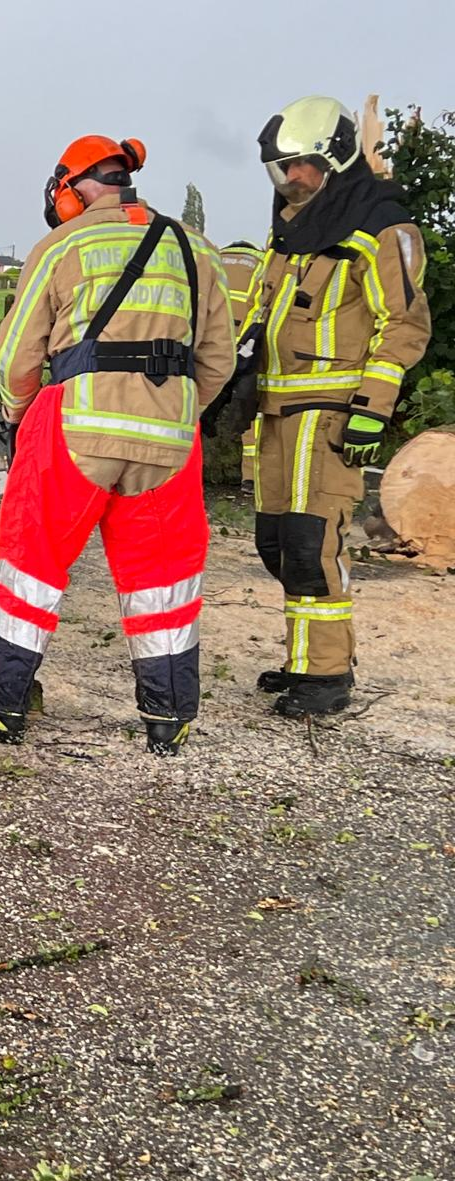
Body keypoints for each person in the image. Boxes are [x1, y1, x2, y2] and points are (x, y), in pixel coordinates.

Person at [0, 134, 235, 755]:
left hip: (76, 423)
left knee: (31, 564)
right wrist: (175, 409)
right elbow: (216, 360)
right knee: (163, 578)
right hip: (169, 433)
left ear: (72, 189)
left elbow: (18, 353)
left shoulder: (64, 243)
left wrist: (20, 412)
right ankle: (169, 720)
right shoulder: (197, 250)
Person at [239, 96, 430, 717]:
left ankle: (325, 677)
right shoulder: (293, 232)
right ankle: (305, 660)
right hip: (277, 414)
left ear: (336, 160)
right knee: (275, 542)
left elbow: (402, 326)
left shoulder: (381, 229)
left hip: (332, 412)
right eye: (283, 167)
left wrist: (372, 408)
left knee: (310, 544)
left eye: (302, 166)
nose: (291, 179)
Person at [218, 240, 263, 491]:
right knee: (251, 410)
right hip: (246, 346)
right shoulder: (263, 263)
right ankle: (251, 478)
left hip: (210, 343)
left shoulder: (212, 257)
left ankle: (178, 472)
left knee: (194, 408)